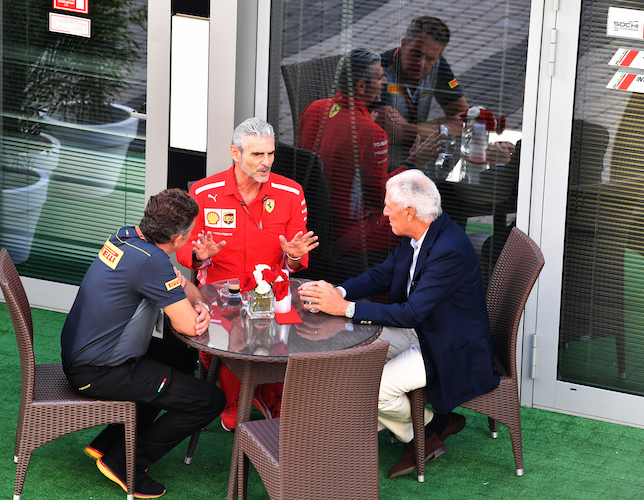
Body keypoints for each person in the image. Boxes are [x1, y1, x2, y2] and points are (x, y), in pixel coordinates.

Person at [298, 169, 499, 479]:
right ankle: (430, 426)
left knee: (372, 389)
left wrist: (345, 308)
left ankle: (426, 431)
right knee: (352, 361)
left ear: (409, 211)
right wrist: (339, 292)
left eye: (389, 205)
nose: (384, 211)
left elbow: (411, 313)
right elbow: (383, 273)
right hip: (422, 332)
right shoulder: (422, 233)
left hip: (447, 347)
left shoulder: (449, 250)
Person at [61, 189, 227, 498]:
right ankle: (123, 462)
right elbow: (188, 324)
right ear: (177, 240)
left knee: (180, 356)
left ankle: (111, 440)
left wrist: (194, 301)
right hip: (99, 371)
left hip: (85, 354)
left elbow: (182, 287)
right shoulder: (152, 263)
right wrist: (199, 310)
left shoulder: (125, 237)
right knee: (210, 400)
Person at [176, 117, 318, 431]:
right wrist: (199, 257)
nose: (266, 162)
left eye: (270, 154)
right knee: (220, 337)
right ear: (235, 153)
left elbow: (297, 254)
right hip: (218, 293)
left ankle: (270, 395)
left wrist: (294, 257)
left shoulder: (291, 193)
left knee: (295, 334)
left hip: (273, 292)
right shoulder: (204, 191)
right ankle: (235, 398)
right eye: (257, 155)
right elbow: (186, 250)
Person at [296, 47, 418, 283]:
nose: (385, 81)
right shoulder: (373, 133)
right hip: (347, 234)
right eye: (380, 77)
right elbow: (379, 200)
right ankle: (391, 299)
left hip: (308, 223)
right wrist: (412, 162)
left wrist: (363, 124)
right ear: (361, 87)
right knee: (421, 221)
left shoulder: (313, 109)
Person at [372, 16, 469, 170]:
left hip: (417, 156)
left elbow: (465, 120)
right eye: (416, 53)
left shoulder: (438, 65)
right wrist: (439, 125)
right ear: (403, 44)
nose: (421, 63)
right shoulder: (379, 70)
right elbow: (381, 130)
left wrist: (407, 130)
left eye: (430, 58)